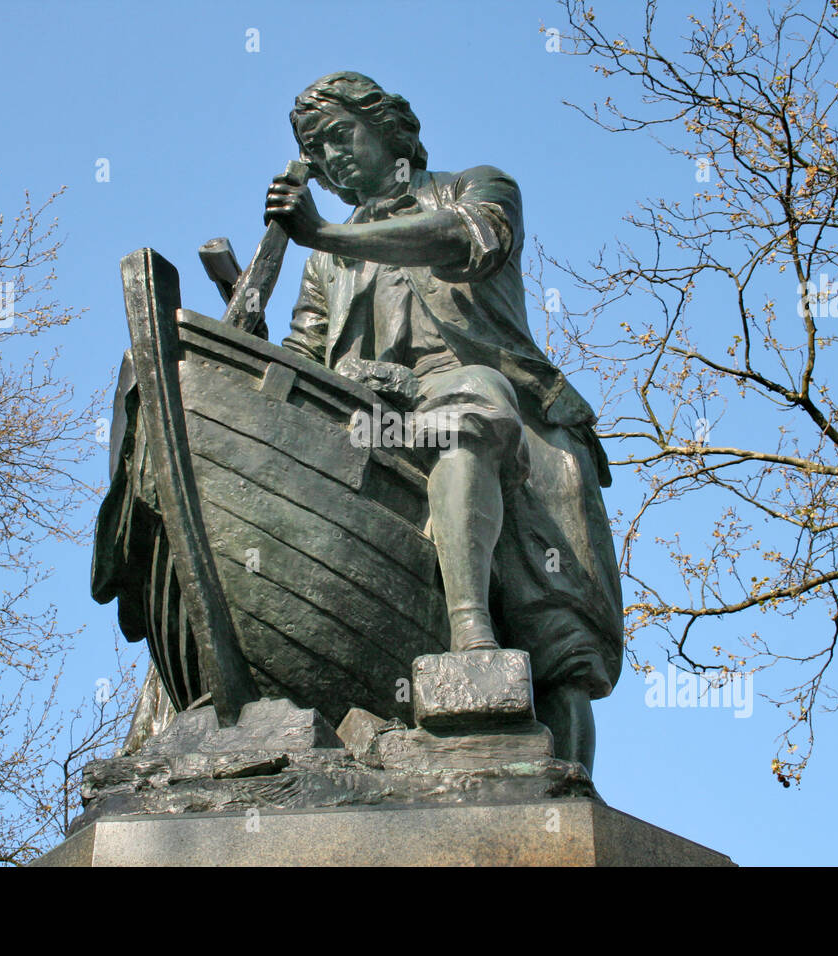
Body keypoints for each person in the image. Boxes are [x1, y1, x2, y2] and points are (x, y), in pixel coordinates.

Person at [265, 71, 623, 770]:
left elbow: (464, 240)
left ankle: (476, 645)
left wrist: (327, 233)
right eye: (318, 148)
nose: (334, 156)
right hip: (366, 421)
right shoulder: (326, 263)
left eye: (343, 134)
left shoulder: (478, 186)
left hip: (500, 414)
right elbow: (302, 355)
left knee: (558, 650)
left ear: (391, 131)